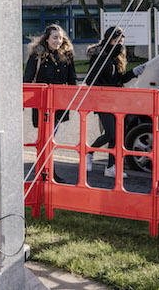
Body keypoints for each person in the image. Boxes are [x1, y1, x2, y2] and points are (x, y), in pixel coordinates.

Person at [85, 27, 146, 179]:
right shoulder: (100, 55)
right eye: (116, 39)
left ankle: (111, 167)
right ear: (108, 39)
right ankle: (88, 152)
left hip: (116, 100)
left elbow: (120, 79)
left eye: (121, 40)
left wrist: (133, 72)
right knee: (111, 133)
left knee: (117, 135)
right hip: (102, 99)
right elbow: (90, 79)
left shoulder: (118, 56)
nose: (119, 42)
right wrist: (107, 89)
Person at [23, 24, 77, 182]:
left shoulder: (67, 56)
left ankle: (47, 171)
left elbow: (72, 80)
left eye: (60, 38)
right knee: (46, 139)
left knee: (50, 139)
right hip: (41, 105)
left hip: (59, 105)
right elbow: (28, 79)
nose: (58, 41)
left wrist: (74, 98)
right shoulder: (37, 56)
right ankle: (47, 172)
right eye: (55, 37)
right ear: (46, 39)